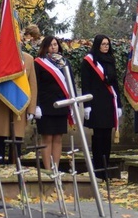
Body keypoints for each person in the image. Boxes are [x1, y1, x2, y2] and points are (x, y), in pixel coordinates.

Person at [0, 48, 38, 164]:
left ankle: (15, 169)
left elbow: (32, 84)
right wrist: (3, 88)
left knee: (17, 140)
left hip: (19, 105)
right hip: (1, 103)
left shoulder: (28, 58)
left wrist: (31, 109)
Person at [81, 34, 122, 178]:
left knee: (107, 137)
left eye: (107, 44)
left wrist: (119, 105)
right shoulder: (89, 61)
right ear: (97, 45)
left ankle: (105, 167)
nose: (106, 46)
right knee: (98, 137)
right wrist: (87, 105)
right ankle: (97, 168)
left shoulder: (110, 60)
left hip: (109, 102)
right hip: (95, 103)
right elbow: (85, 84)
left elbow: (115, 83)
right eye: (103, 44)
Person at [35, 36, 74, 171]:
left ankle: (55, 168)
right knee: (47, 138)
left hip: (62, 105)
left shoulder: (65, 62)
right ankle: (47, 169)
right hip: (45, 106)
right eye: (51, 45)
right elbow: (36, 86)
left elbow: (71, 84)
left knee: (58, 138)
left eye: (56, 44)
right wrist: (36, 105)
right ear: (45, 47)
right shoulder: (39, 63)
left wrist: (72, 105)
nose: (53, 47)